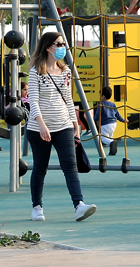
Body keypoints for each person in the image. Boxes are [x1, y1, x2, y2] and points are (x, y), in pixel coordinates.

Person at [26, 32, 97, 222]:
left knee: (70, 166)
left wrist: (76, 125)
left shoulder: (65, 71)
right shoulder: (36, 72)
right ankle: (37, 206)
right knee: (40, 167)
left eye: (63, 43)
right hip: (39, 128)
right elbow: (33, 101)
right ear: (49, 47)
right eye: (59, 44)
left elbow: (67, 99)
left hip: (63, 125)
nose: (62, 47)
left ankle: (79, 205)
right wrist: (41, 125)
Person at [98, 86, 124, 156]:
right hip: (113, 124)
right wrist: (123, 120)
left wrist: (93, 121)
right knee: (110, 136)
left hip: (105, 124)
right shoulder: (113, 104)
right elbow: (117, 115)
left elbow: (97, 115)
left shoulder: (101, 105)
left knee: (103, 138)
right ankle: (112, 150)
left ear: (103, 96)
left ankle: (111, 143)